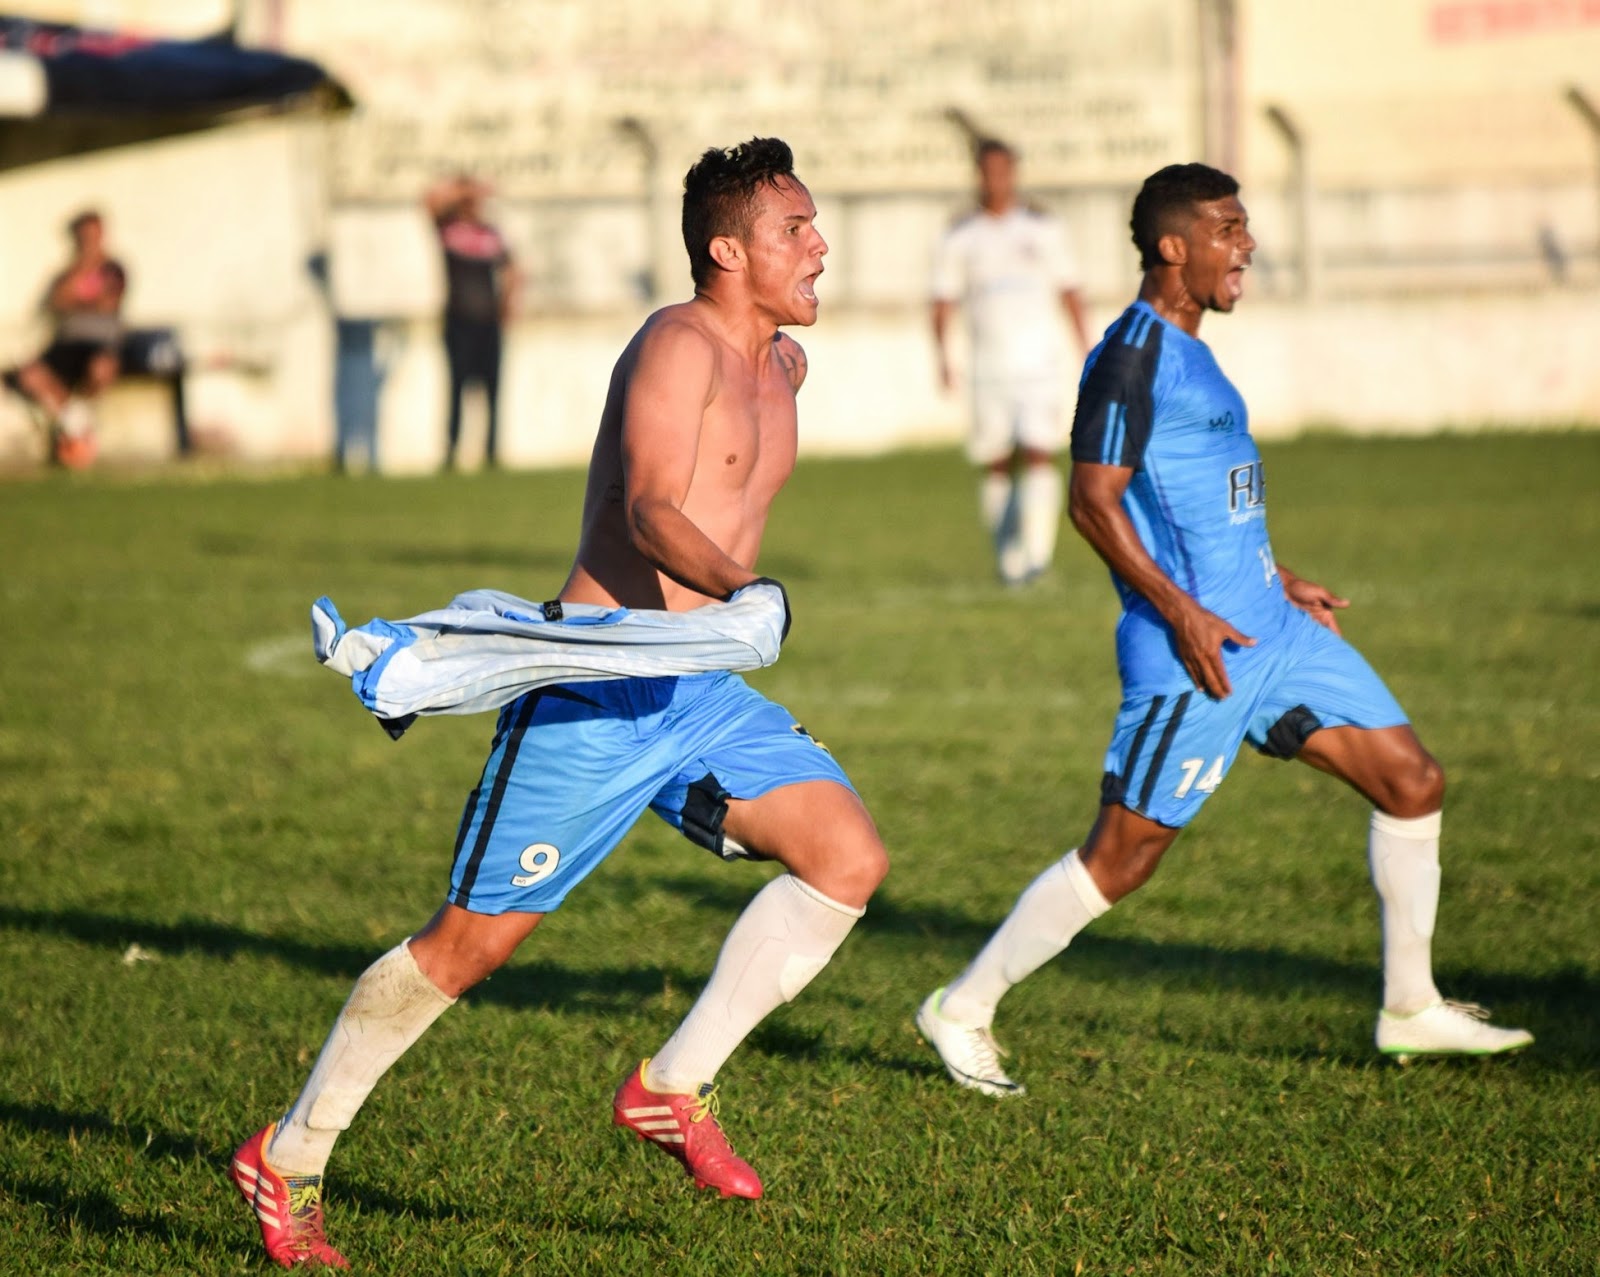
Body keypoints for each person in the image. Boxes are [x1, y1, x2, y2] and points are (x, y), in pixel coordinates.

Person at [231, 137, 888, 1268]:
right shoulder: (674, 347)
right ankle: (287, 1155)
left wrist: (729, 618)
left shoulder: (783, 363)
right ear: (726, 249)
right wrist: (747, 592)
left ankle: (669, 1086)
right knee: (469, 946)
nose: (819, 246)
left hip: (699, 686)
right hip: (596, 683)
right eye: (795, 230)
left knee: (845, 856)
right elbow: (646, 510)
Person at [916, 163, 1531, 1098]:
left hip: (1275, 631)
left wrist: (1278, 577)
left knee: (1412, 780)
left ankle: (1411, 1006)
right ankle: (963, 1007)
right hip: (1191, 655)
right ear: (1174, 246)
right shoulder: (1128, 355)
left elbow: (1198, 501)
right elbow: (1094, 501)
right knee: (1122, 858)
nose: (1246, 245)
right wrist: (1184, 610)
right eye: (1228, 229)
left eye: (1245, 228)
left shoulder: (1193, 347)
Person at [931, 139, 1092, 586]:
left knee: (1040, 454)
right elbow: (942, 300)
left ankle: (1038, 559)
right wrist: (943, 357)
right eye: (987, 171)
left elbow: (1070, 290)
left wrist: (1087, 350)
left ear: (1014, 172)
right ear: (977, 173)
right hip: (987, 366)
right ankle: (1009, 563)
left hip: (1038, 364)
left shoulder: (1043, 227)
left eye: (1003, 170)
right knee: (997, 461)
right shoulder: (961, 233)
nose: (995, 179)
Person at [3, 209, 126, 467]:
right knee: (28, 374)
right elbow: (57, 301)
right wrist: (81, 281)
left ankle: (74, 430)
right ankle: (78, 425)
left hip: (99, 344)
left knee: (101, 369)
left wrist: (76, 299)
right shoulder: (67, 272)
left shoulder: (113, 269)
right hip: (66, 343)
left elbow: (106, 303)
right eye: (84, 237)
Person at [424, 174, 520, 469]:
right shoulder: (448, 229)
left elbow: (512, 270)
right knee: (456, 389)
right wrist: (464, 187)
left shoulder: (490, 233)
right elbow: (428, 200)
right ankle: (452, 451)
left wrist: (507, 306)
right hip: (459, 321)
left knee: (493, 390)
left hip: (488, 322)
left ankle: (491, 453)